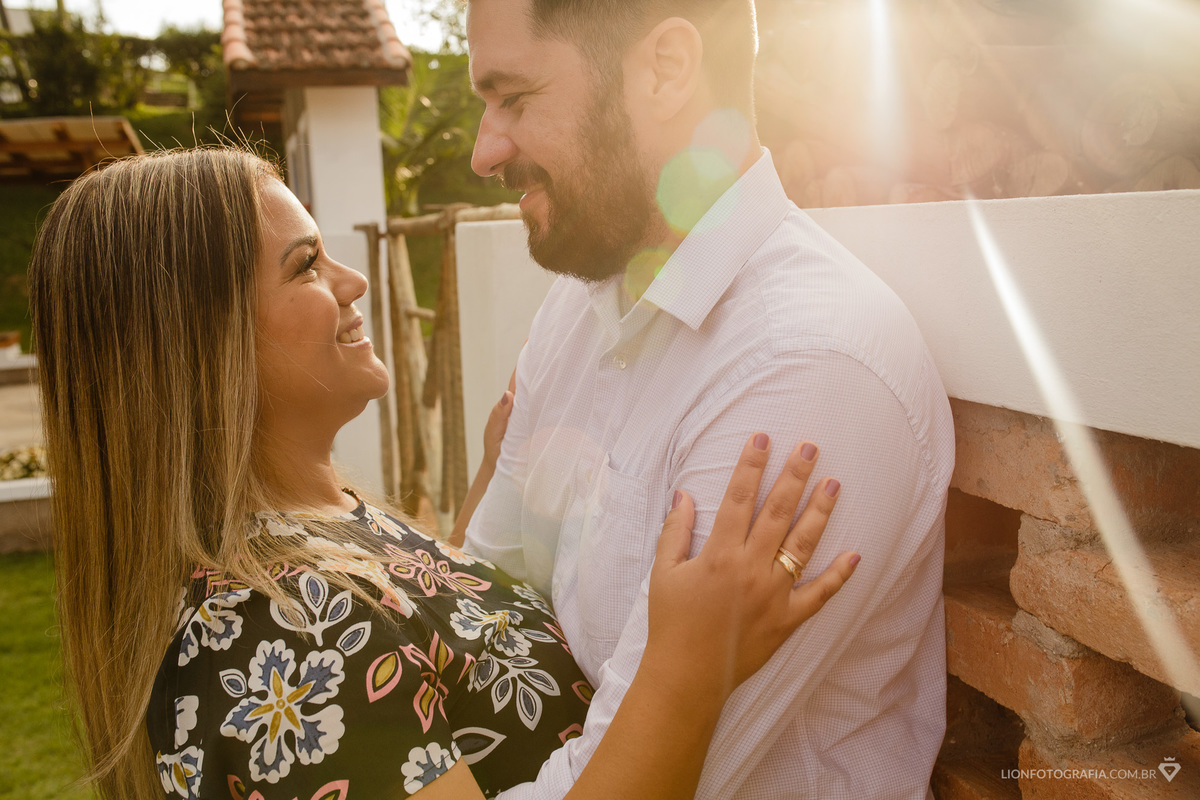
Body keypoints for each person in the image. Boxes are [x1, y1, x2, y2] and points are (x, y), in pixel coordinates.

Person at [28, 147, 859, 800]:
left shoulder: (315, 538)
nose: (351, 282)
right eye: (305, 266)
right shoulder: (270, 633)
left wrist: (479, 512)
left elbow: (414, 680)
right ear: (199, 350)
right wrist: (687, 670)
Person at [460, 1, 957, 797]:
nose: (485, 152)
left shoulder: (805, 365)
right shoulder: (578, 306)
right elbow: (483, 603)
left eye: (514, 98)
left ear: (666, 69)